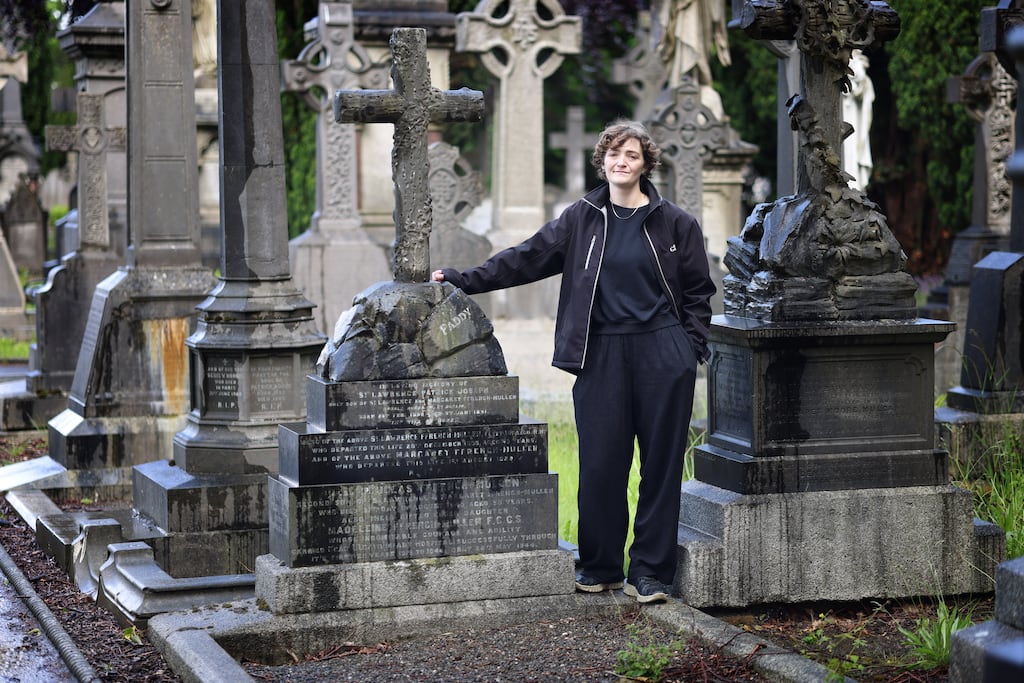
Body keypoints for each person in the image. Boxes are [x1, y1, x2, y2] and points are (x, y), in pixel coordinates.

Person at [432, 119, 715, 604]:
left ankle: (648, 573)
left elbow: (698, 293)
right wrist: (464, 279)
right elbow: (526, 258)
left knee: (660, 468)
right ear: (602, 161)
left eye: (630, 155)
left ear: (646, 164)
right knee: (602, 464)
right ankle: (600, 566)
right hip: (600, 352)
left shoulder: (676, 223)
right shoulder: (582, 218)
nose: (620, 162)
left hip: (662, 354)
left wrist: (688, 348)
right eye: (613, 154)